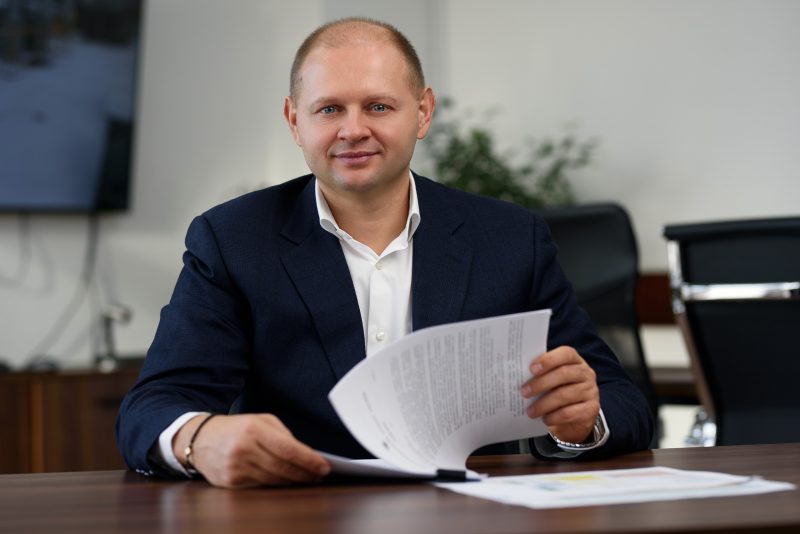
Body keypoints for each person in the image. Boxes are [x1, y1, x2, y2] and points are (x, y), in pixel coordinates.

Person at [116, 17, 653, 489]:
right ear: (295, 120)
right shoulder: (233, 240)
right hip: (300, 512)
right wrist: (198, 439)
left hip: (473, 513)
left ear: (422, 112)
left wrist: (583, 422)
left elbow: (622, 402)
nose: (354, 130)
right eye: (330, 108)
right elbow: (153, 406)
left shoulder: (510, 238)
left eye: (378, 106)